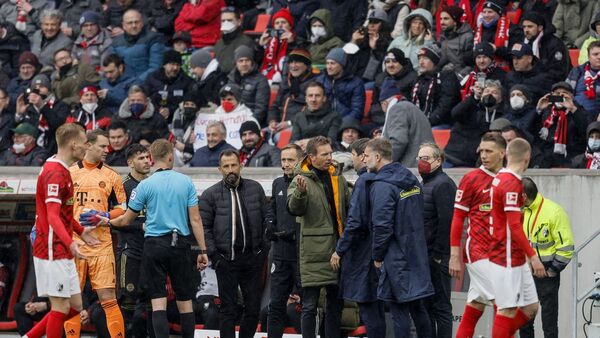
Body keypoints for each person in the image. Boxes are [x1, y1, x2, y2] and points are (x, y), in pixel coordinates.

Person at [101, 139, 209, 338]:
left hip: (154, 245)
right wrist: (202, 250)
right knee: (185, 302)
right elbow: (195, 219)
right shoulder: (185, 182)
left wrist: (105, 220)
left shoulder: (145, 185)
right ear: (170, 157)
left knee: (157, 301)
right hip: (180, 244)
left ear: (152, 159)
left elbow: (125, 220)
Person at [24, 123, 97, 338]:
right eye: (85, 142)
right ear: (73, 144)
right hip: (51, 248)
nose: (87, 147)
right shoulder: (54, 173)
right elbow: (53, 216)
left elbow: (64, 215)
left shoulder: (63, 170)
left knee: (75, 305)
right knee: (60, 308)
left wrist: (81, 231)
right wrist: (71, 242)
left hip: (61, 247)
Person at [364, 138, 434, 337]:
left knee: (398, 309)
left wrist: (377, 256)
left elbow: (382, 226)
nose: (364, 159)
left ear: (377, 157)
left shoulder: (382, 186)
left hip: (395, 256)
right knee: (417, 306)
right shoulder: (410, 178)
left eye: (367, 156)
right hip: (416, 252)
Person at [199, 149, 270, 338]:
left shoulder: (255, 188)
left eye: (233, 165)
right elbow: (204, 228)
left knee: (253, 308)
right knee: (228, 310)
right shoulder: (210, 194)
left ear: (241, 165)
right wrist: (215, 256)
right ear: (219, 169)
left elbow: (267, 220)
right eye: (226, 166)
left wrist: (263, 251)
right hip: (225, 260)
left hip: (252, 259)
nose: (231, 170)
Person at [287, 136, 350, 338]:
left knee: (335, 304)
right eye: (325, 154)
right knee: (309, 306)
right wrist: (300, 194)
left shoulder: (337, 177)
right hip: (313, 251)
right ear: (311, 157)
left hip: (337, 249)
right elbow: (293, 209)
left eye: (331, 153)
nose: (330, 157)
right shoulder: (300, 179)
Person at [68, 129, 127, 338]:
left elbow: (123, 207)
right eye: (102, 146)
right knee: (72, 299)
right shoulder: (70, 172)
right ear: (88, 145)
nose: (107, 150)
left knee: (108, 297)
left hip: (101, 244)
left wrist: (104, 215)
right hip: (74, 244)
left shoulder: (112, 175)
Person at [449, 132, 506, 338]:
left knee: (475, 306)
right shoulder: (471, 179)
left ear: (502, 153)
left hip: (501, 254)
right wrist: (455, 255)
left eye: (489, 151)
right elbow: (457, 219)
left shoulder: (510, 179)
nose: (484, 155)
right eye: (481, 150)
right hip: (478, 252)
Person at [488, 138, 545, 337]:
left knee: (531, 308)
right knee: (507, 309)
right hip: (506, 256)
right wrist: (533, 256)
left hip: (513, 255)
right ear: (527, 159)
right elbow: (514, 226)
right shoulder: (511, 183)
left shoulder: (499, 177)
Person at [331, 138, 386, 338]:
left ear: (363, 156)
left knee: (368, 308)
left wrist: (339, 249)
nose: (352, 161)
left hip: (363, 255)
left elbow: (355, 222)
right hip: (378, 251)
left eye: (353, 156)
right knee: (377, 308)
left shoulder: (364, 181)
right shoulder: (382, 178)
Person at [519, 177, 574, 338]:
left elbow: (566, 247)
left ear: (523, 196)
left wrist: (552, 270)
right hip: (526, 274)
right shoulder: (521, 211)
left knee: (549, 323)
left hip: (547, 275)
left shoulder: (553, 212)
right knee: (524, 322)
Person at [417, 142, 456, 338]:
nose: (421, 162)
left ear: (438, 161)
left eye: (426, 158)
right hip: (425, 256)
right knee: (428, 306)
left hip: (437, 256)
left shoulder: (443, 184)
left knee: (441, 307)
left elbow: (447, 222)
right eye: (419, 158)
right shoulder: (426, 183)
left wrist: (440, 255)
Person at [114, 144, 151, 337]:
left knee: (150, 302)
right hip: (130, 251)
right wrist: (140, 225)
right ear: (130, 163)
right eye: (141, 158)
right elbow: (112, 221)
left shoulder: (153, 184)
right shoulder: (122, 187)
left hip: (152, 252)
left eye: (147, 157)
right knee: (127, 300)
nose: (146, 161)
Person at [267, 143, 303, 338]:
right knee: (275, 306)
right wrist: (270, 223)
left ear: (300, 161)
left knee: (307, 307)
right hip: (280, 255)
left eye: (290, 160)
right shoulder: (277, 183)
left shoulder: (308, 183)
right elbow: (272, 207)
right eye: (283, 160)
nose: (286, 164)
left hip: (301, 256)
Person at [445, 80, 505, 167]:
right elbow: (455, 113)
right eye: (487, 91)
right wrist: (474, 97)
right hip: (452, 157)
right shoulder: (471, 107)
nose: (489, 95)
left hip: (475, 162)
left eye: (494, 92)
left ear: (500, 98)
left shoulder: (503, 115)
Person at [379, 80, 434, 167]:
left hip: (411, 167)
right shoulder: (410, 107)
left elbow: (398, 141)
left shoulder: (397, 109)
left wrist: (382, 162)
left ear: (384, 103)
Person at [535, 81, 589, 168]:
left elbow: (585, 131)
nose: (560, 96)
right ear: (551, 95)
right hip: (548, 160)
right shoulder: (547, 112)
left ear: (571, 96)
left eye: (564, 94)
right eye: (557, 94)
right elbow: (532, 133)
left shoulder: (578, 111)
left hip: (571, 159)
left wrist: (573, 109)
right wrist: (538, 111)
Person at [267, 48, 317, 138]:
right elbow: (275, 106)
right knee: (260, 134)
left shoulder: (314, 84)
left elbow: (313, 111)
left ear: (307, 65)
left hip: (299, 127)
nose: (293, 66)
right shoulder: (286, 82)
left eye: (297, 62)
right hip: (280, 126)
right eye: (291, 62)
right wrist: (272, 121)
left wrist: (289, 123)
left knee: (280, 137)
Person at [16, 75, 70, 155]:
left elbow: (59, 126)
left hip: (54, 150)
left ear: (49, 89)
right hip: (32, 152)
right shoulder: (29, 107)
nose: (37, 89)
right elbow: (20, 132)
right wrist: (19, 115)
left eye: (41, 86)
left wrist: (42, 106)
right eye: (35, 87)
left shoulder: (60, 105)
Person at [412, 44, 461, 129]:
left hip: (443, 123)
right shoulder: (420, 79)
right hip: (424, 122)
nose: (421, 62)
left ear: (434, 61)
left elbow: (446, 104)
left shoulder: (447, 76)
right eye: (419, 58)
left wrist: (428, 122)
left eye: (425, 58)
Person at [110, 9, 165, 82]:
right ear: (123, 25)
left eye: (136, 22)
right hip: (123, 84)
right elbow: (112, 68)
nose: (134, 25)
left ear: (142, 23)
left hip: (147, 84)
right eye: (130, 23)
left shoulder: (154, 38)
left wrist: (137, 82)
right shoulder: (116, 43)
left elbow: (156, 67)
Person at [368, 49, 417, 129]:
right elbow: (375, 104)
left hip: (403, 122)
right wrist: (383, 120)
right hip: (381, 120)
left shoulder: (413, 78)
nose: (390, 65)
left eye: (394, 61)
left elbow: (412, 106)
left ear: (402, 63)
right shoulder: (380, 78)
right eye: (387, 62)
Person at [519, 12, 570, 85]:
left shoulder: (555, 44)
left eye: (530, 27)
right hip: (531, 84)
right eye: (524, 27)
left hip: (553, 87)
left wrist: (532, 81)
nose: (526, 30)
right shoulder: (524, 43)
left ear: (540, 27)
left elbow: (558, 73)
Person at [143, 50, 194, 122]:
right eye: (172, 64)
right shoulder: (152, 78)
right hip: (154, 118)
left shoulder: (187, 82)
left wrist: (170, 110)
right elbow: (145, 98)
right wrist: (158, 109)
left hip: (178, 119)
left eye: (178, 65)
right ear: (164, 65)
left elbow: (189, 102)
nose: (175, 68)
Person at [317, 48, 365, 122]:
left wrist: (340, 124)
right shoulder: (321, 80)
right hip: (324, 123)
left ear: (342, 64)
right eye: (327, 63)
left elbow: (357, 111)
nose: (329, 67)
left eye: (332, 63)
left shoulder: (356, 83)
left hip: (346, 125)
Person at [347, 9, 392, 86]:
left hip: (374, 82)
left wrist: (374, 49)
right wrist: (353, 41)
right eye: (370, 22)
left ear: (383, 25)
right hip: (356, 79)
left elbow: (383, 68)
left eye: (376, 22)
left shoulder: (389, 43)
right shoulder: (362, 40)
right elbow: (347, 61)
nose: (371, 25)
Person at [227, 45, 270, 125]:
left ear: (252, 62)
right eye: (241, 61)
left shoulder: (261, 80)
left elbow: (260, 109)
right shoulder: (231, 78)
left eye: (247, 60)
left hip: (252, 122)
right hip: (232, 120)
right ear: (236, 63)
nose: (244, 64)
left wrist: (250, 124)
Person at [258, 7, 298, 84]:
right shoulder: (269, 40)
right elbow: (257, 62)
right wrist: (260, 46)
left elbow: (295, 61)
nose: (280, 25)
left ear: (290, 26)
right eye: (277, 23)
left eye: (283, 22)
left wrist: (291, 44)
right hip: (267, 76)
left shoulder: (297, 40)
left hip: (287, 79)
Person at [213, 6, 256, 74]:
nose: (226, 23)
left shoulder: (246, 42)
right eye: (223, 21)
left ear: (239, 22)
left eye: (230, 20)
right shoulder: (219, 43)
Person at [566, 41, 600, 117]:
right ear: (588, 57)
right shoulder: (576, 71)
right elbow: (565, 90)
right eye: (595, 54)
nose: (599, 57)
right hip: (574, 113)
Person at [438, 6, 474, 77]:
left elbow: (470, 65)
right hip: (442, 75)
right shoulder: (443, 35)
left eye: (446, 19)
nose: (442, 22)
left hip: (459, 78)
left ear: (455, 21)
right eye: (441, 19)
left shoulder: (467, 37)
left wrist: (460, 76)